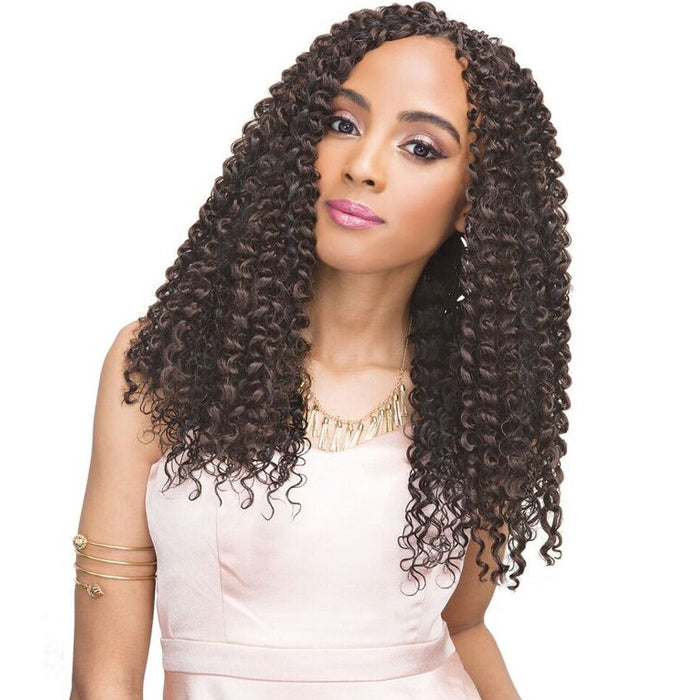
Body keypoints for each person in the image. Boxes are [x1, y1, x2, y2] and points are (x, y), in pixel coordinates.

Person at [70, 2, 571, 698]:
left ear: (474, 201)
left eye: (421, 147)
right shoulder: (165, 362)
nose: (363, 166)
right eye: (342, 124)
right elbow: (104, 677)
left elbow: (462, 625)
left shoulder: (485, 399)